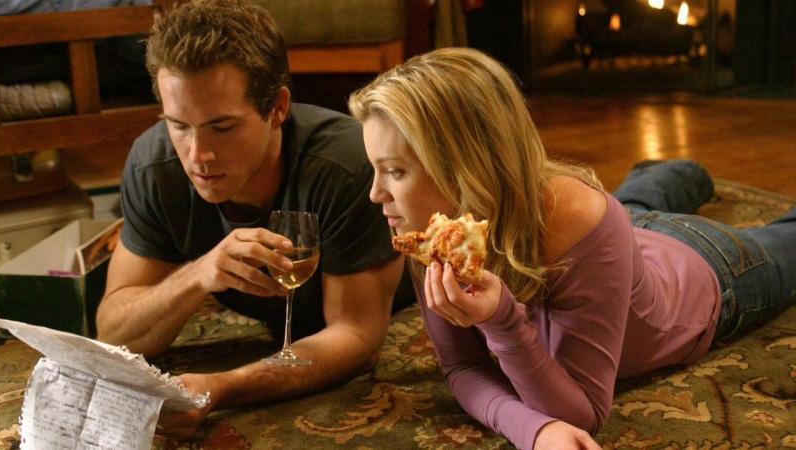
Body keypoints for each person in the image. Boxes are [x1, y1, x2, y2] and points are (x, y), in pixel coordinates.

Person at [348, 47, 796, 449]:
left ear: (465, 165)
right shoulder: (429, 232)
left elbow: (583, 414)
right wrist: (534, 429)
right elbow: (462, 368)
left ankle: (683, 171)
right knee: (635, 205)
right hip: (621, 243)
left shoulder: (582, 219)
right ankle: (673, 172)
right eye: (375, 169)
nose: (375, 194)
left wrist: (502, 322)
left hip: (706, 266)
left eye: (395, 172)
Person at [94, 0, 413, 439]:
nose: (197, 155)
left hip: (401, 305)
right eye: (179, 125)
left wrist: (223, 386)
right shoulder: (154, 166)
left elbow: (357, 337)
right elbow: (114, 332)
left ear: (277, 108)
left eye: (222, 127)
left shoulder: (345, 167)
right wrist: (196, 276)